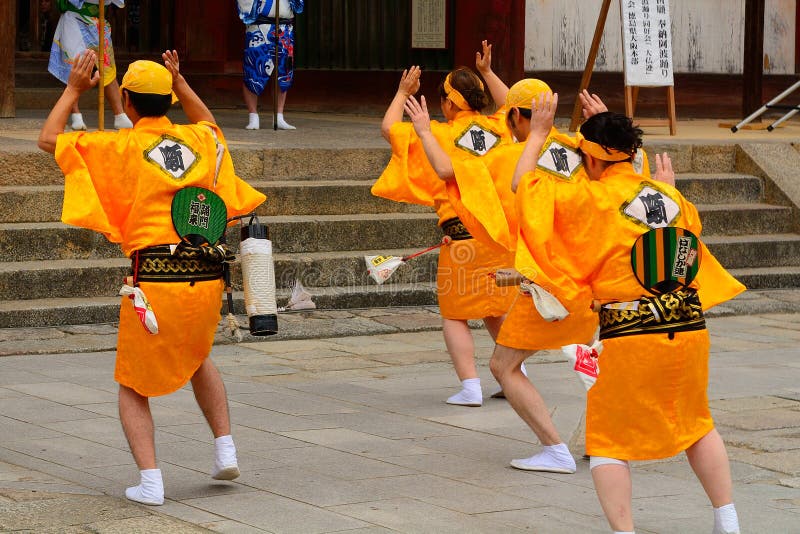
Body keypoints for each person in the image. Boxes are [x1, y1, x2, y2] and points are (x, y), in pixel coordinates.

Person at [38, 49, 266, 506]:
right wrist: (181, 83)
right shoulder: (201, 141)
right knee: (198, 356)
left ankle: (151, 481)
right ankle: (225, 451)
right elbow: (213, 126)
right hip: (206, 275)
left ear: (126, 98)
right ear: (170, 100)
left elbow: (49, 139)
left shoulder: (120, 145)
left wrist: (74, 88)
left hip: (156, 277)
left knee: (132, 383)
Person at [510, 91, 744, 533]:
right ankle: (727, 521)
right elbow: (683, 232)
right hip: (688, 325)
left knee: (609, 444)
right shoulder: (667, 197)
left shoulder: (589, 201)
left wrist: (538, 135)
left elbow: (524, 193)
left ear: (592, 160)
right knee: (697, 425)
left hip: (630, 333)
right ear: (632, 154)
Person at [402, 79, 604, 475]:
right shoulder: (582, 152)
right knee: (589, 358)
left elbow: (446, 169)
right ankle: (601, 443)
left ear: (513, 115)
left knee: (503, 366)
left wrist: (425, 130)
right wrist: (600, 126)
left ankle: (554, 448)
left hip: (545, 282)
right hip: (592, 281)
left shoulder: (507, 157)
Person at [372, 42, 521, 408]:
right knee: (496, 308)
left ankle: (470, 385)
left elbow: (390, 128)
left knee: (456, 315)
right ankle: (514, 374)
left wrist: (403, 92)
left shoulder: (437, 133)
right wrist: (488, 72)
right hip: (501, 237)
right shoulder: (500, 127)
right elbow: (514, 107)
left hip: (463, 239)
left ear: (450, 103)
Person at [48, 0, 133, 130]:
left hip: (98, 21)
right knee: (74, 66)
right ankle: (76, 115)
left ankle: (120, 115)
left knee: (107, 67)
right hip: (74, 20)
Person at [236, 0, 304, 130]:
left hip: (284, 28)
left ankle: (279, 115)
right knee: (253, 70)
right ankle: (253, 115)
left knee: (284, 72)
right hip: (259, 27)